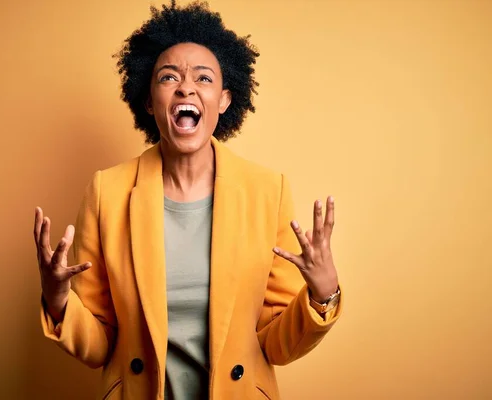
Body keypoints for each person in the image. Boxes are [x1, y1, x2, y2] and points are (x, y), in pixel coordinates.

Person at [34, 1, 343, 399]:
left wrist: (323, 294)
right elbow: (100, 345)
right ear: (149, 102)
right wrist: (58, 301)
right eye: (168, 77)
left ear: (225, 100)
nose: (186, 87)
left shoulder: (268, 191)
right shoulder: (106, 192)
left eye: (203, 77)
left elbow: (274, 344)